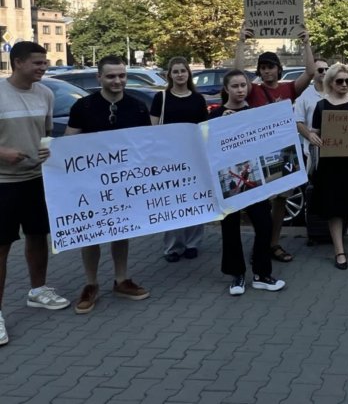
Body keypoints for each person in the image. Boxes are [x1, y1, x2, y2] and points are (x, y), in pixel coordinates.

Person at [65, 55, 152, 314]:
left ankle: (121, 279)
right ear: (99, 77)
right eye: (111, 76)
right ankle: (90, 284)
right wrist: (53, 153)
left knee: (121, 230)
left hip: (124, 182)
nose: (118, 81)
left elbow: (147, 145)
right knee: (91, 233)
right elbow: (70, 143)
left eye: (122, 75)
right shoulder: (83, 107)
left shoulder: (137, 107)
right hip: (91, 184)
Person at [0, 42, 70, 346]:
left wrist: (49, 150)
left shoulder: (46, 94)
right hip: (3, 182)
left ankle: (38, 290)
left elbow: (46, 134)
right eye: (38, 63)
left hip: (37, 179)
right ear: (17, 63)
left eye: (45, 63)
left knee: (38, 236)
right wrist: (2, 153)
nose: (44, 68)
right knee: (1, 246)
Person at [234, 25, 315, 264]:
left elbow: (310, 73)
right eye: (262, 67)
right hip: (259, 152)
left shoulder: (288, 88)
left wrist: (305, 43)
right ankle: (261, 244)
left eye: (270, 67)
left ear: (278, 69)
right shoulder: (253, 90)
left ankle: (273, 243)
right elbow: (237, 74)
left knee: (282, 200)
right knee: (262, 203)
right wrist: (241, 43)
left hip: (284, 151)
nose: (266, 71)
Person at [209, 69, 285, 295]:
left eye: (243, 85)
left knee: (264, 225)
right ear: (226, 89)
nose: (240, 90)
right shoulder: (215, 116)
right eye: (235, 86)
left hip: (254, 180)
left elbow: (268, 146)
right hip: (229, 182)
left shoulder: (256, 114)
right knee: (230, 228)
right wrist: (219, 127)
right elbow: (208, 149)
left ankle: (262, 274)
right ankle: (237, 275)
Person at [304, 64, 348, 269]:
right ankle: (339, 250)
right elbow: (314, 131)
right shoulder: (322, 106)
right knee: (334, 208)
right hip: (332, 165)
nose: (344, 84)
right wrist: (312, 137)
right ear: (331, 82)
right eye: (340, 81)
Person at [150, 57, 209, 263]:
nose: (180, 75)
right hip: (169, 159)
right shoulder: (162, 98)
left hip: (193, 157)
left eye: (183, 71)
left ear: (189, 74)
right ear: (170, 75)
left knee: (195, 201)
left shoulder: (198, 99)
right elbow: (153, 128)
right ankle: (173, 247)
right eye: (175, 72)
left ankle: (192, 243)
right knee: (171, 203)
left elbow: (203, 128)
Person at [294, 58, 329, 170]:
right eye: (320, 70)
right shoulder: (304, 94)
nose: (324, 72)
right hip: (314, 149)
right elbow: (298, 121)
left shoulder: (337, 91)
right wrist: (309, 135)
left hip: (335, 148)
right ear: (312, 73)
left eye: (327, 69)